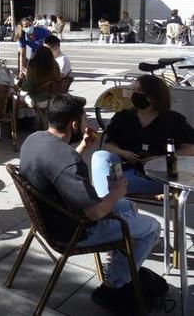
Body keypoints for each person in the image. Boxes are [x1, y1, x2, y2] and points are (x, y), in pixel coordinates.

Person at [20, 94, 161, 313]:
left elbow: (57, 166)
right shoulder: (68, 163)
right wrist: (115, 192)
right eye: (85, 120)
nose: (88, 125)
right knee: (151, 227)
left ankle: (118, 257)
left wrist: (83, 147)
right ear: (74, 125)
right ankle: (114, 283)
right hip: (72, 232)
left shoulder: (35, 139)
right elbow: (94, 213)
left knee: (127, 206)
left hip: (49, 219)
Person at [91, 75, 194, 197]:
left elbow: (190, 149)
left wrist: (160, 159)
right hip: (126, 167)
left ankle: (105, 204)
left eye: (138, 90)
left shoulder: (173, 120)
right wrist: (124, 153)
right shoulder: (123, 116)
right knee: (100, 156)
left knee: (117, 184)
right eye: (133, 90)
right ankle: (108, 204)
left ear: (151, 97)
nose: (133, 94)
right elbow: (110, 145)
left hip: (158, 173)